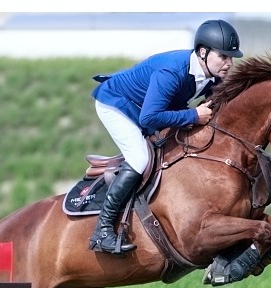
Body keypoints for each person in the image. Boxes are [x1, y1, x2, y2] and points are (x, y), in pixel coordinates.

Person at [88, 19, 244, 254]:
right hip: (117, 105)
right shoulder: (172, 72)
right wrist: (193, 115)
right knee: (140, 158)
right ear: (203, 52)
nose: (229, 63)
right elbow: (149, 119)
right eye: (223, 56)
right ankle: (103, 231)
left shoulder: (211, 73)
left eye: (231, 57)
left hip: (146, 108)